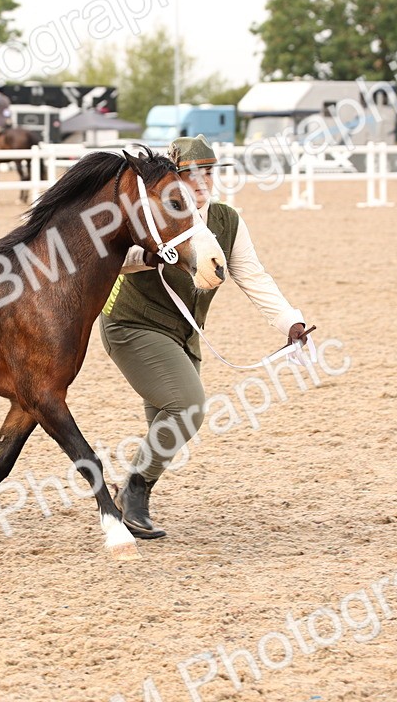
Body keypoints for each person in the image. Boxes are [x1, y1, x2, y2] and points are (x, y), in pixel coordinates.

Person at [100, 135, 310, 539]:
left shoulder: (227, 221)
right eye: (191, 174)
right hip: (132, 324)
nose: (202, 182)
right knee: (189, 407)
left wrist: (290, 323)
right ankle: (134, 494)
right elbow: (113, 259)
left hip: (184, 333)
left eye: (209, 172)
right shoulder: (150, 215)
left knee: (169, 424)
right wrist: (149, 256)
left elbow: (252, 275)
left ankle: (131, 497)